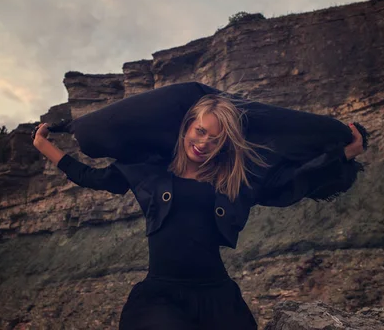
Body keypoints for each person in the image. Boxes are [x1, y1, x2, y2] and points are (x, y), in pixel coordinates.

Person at [32, 93, 365, 330]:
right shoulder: (149, 170)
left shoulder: (235, 180)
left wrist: (344, 154)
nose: (204, 143)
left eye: (215, 139)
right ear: (187, 127)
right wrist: (45, 146)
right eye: (200, 131)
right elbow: (92, 177)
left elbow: (294, 179)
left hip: (216, 295)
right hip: (160, 296)